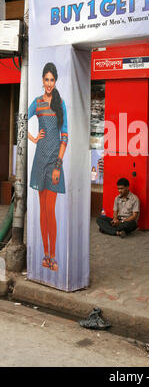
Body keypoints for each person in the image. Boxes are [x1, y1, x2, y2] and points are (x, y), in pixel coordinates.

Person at [28, 62, 68, 272]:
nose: (49, 83)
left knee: (50, 211)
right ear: (42, 81)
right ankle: (45, 256)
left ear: (55, 81)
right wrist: (34, 138)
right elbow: (21, 120)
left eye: (52, 80)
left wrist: (58, 165)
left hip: (54, 162)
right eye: (46, 79)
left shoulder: (60, 104)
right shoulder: (37, 102)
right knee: (42, 211)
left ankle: (53, 255)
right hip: (39, 161)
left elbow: (65, 136)